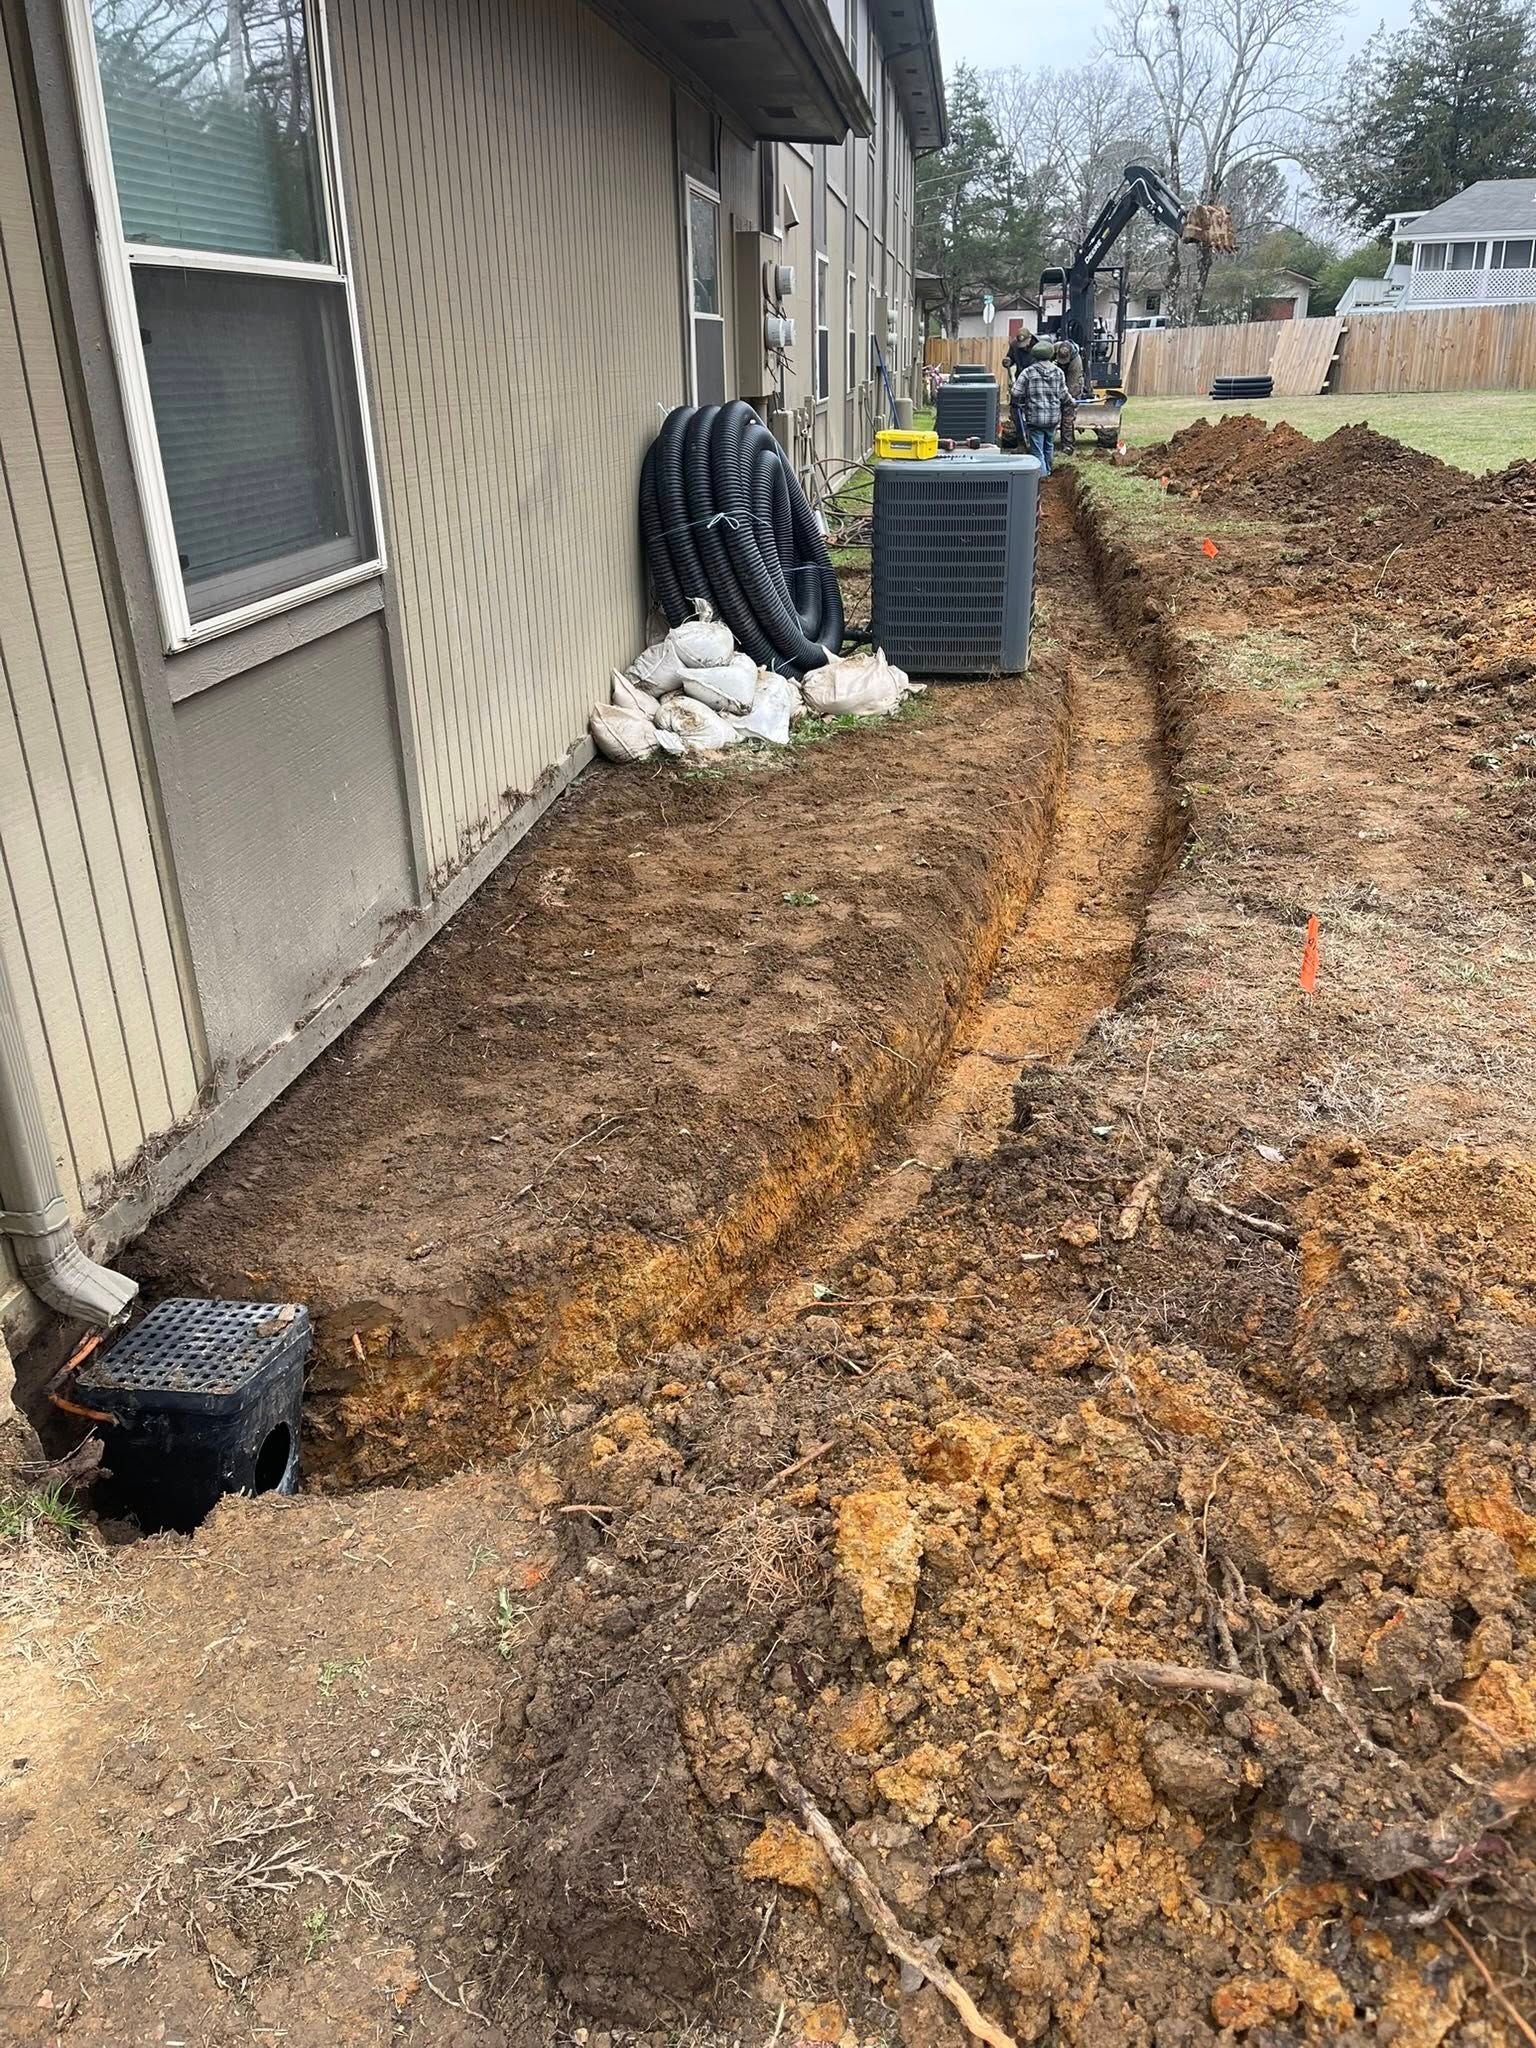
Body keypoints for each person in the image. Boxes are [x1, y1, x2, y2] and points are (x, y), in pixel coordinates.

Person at [1013, 340, 1068, 476]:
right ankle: (1048, 471)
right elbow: (1063, 394)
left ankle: (1042, 478)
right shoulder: (1059, 372)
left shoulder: (1028, 373)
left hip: (1035, 418)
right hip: (1053, 418)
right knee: (1049, 446)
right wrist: (1072, 402)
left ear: (1035, 355)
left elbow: (1015, 392)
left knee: (1037, 451)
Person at [1003, 329, 1035, 443]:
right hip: (1020, 379)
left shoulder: (1038, 346)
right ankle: (1019, 434)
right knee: (1015, 405)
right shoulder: (1015, 345)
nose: (1022, 346)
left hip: (1033, 380)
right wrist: (1008, 360)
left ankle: (1031, 435)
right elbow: (1010, 357)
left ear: (1030, 339)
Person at [1054, 339, 1082, 454]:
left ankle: (1068, 444)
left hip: (1072, 384)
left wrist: (1068, 399)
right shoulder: (1054, 349)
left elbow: (1071, 386)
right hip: (1057, 379)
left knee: (1067, 416)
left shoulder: (1076, 362)